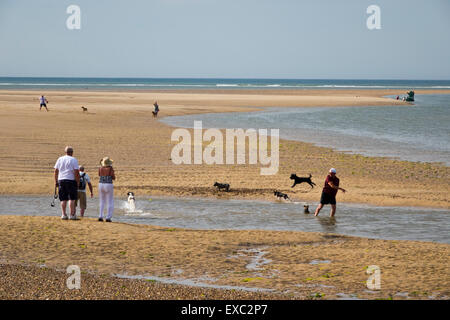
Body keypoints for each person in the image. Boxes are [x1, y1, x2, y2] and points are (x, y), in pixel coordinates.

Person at [54, 146, 80, 220]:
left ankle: (63, 214)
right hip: (71, 180)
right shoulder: (73, 159)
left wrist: (56, 181)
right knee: (72, 198)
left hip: (61, 180)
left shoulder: (60, 159)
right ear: (72, 152)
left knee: (63, 198)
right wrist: (77, 182)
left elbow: (56, 171)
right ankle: (72, 215)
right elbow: (76, 172)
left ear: (65, 152)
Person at [98, 157, 116, 222]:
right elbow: (113, 177)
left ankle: (100, 216)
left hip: (101, 184)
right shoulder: (110, 168)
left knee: (102, 201)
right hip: (108, 184)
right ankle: (108, 217)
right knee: (110, 201)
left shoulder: (100, 168)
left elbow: (99, 174)